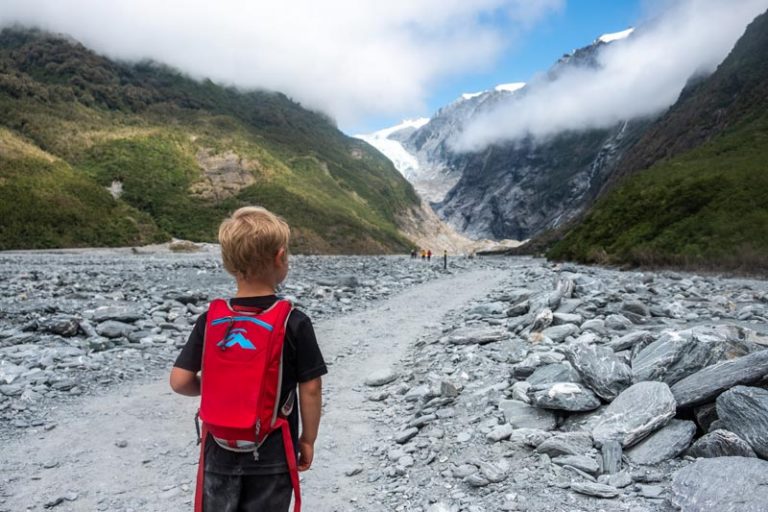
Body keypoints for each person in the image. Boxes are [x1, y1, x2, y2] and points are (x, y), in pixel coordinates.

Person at [170, 206, 327, 512]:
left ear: (229, 263)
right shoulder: (293, 321)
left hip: (218, 448)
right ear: (281, 258)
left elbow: (179, 382)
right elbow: (311, 389)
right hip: (272, 453)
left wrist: (221, 385)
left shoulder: (211, 319)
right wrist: (307, 439)